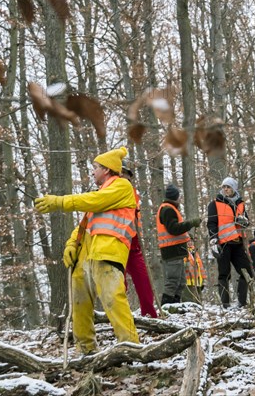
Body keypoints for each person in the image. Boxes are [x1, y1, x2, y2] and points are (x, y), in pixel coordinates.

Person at [35, 146, 139, 355]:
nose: (92, 172)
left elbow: (93, 202)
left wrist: (59, 201)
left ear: (107, 170)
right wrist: (72, 244)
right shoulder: (102, 193)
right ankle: (85, 349)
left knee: (113, 300)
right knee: (79, 303)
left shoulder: (121, 186)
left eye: (95, 167)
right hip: (87, 255)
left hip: (108, 253)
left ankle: (131, 347)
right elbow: (84, 224)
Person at [207, 177, 253, 308]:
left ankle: (242, 302)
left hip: (237, 244)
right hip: (223, 244)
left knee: (247, 271)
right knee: (223, 273)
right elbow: (211, 223)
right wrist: (213, 240)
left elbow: (246, 222)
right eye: (224, 187)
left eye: (229, 187)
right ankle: (225, 304)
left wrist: (244, 221)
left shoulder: (241, 204)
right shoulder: (215, 204)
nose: (226, 189)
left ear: (234, 189)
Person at [121, 161, 157, 318]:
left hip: (133, 245)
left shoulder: (132, 192)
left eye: (126, 174)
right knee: (118, 285)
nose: (123, 176)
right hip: (114, 244)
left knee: (144, 280)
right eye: (120, 173)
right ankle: (120, 319)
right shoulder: (105, 192)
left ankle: (149, 315)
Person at [156, 184, 201, 305]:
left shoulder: (169, 208)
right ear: (176, 197)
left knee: (180, 282)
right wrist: (191, 223)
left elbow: (174, 229)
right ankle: (166, 308)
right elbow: (173, 229)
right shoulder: (168, 209)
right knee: (172, 282)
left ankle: (175, 307)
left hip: (176, 251)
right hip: (172, 251)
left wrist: (187, 235)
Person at [183, 239, 206, 304]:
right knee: (188, 301)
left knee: (198, 301)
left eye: (191, 241)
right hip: (188, 281)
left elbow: (200, 266)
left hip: (198, 280)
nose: (190, 243)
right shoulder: (183, 252)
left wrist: (203, 279)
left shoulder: (195, 252)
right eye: (188, 241)